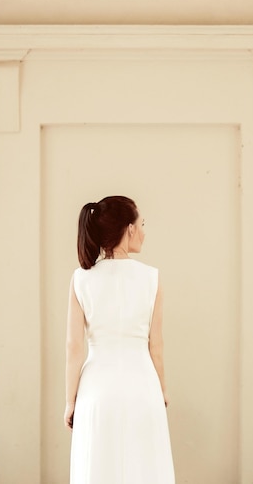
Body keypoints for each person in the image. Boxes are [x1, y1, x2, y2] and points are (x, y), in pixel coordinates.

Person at [64, 195, 175, 484]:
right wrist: (161, 389)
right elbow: (157, 347)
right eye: (142, 225)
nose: (144, 231)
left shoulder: (80, 279)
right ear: (129, 229)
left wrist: (70, 401)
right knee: (144, 469)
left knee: (98, 470)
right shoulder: (152, 278)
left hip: (96, 390)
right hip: (142, 386)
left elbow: (74, 347)